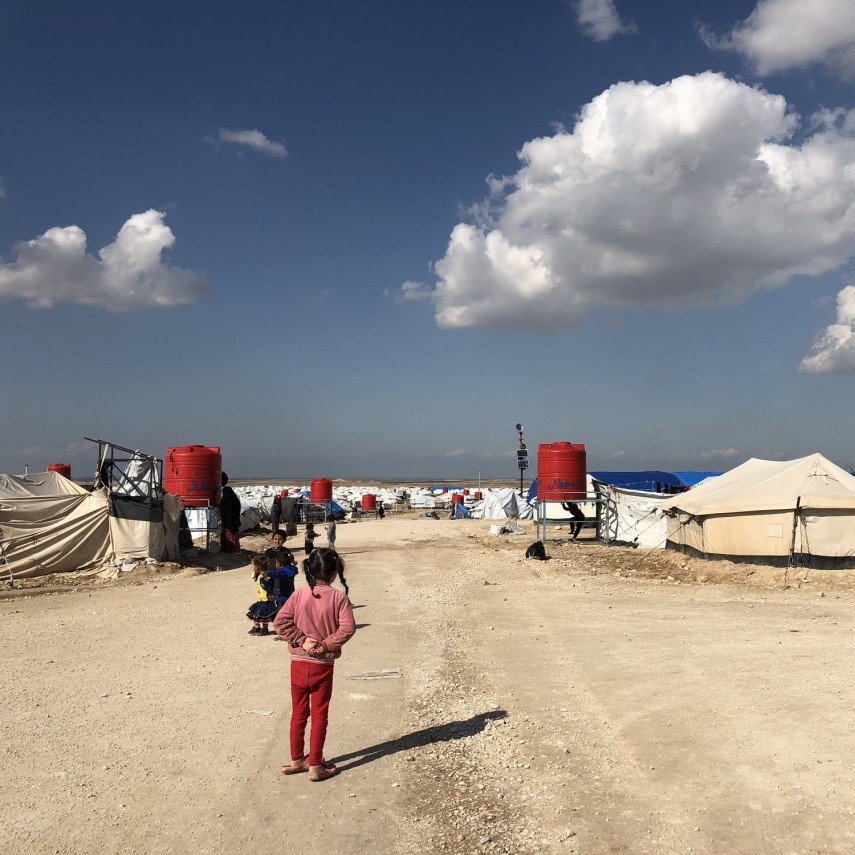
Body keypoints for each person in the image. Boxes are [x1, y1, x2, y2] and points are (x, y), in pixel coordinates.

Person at [274, 549, 355, 782]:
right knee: (319, 713)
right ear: (334, 573)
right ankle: (316, 765)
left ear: (309, 569)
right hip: (322, 666)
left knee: (299, 711)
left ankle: (297, 759)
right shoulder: (339, 598)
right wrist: (326, 644)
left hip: (298, 663)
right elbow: (348, 628)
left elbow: (280, 621)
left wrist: (300, 639)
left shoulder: (299, 595)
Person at [246, 555, 277, 635]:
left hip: (266, 599)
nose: (253, 568)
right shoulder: (260, 575)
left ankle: (265, 629)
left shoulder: (265, 576)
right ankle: (257, 627)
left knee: (264, 615)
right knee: (256, 613)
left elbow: (269, 586)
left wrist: (265, 578)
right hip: (260, 599)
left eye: (254, 566)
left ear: (258, 567)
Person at [219, 472, 242, 553]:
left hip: (229, 521)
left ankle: (229, 550)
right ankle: (231, 549)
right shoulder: (234, 499)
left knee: (229, 535)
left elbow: (222, 508)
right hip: (232, 521)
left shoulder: (227, 498)